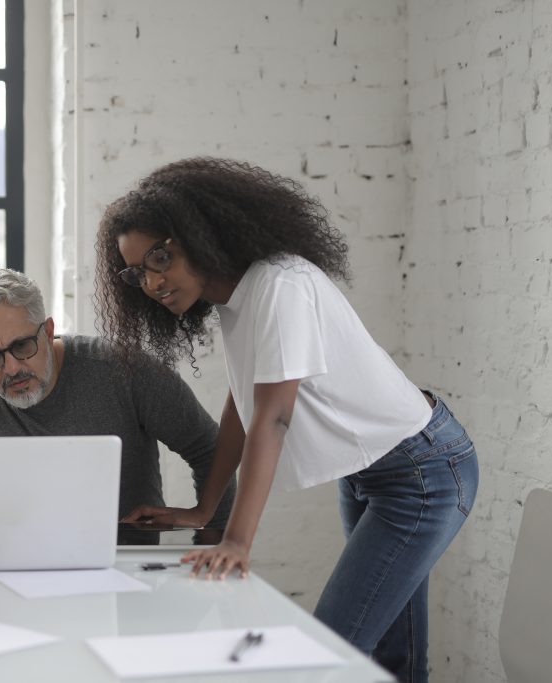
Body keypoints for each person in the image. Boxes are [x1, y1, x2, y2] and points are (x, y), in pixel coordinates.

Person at [95, 156, 478, 683]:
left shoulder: (279, 285)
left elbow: (273, 419)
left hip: (421, 475)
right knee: (392, 658)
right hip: (372, 471)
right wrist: (207, 511)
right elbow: (244, 402)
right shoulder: (234, 297)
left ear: (200, 233)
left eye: (161, 256)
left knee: (331, 654)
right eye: (138, 271)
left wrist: (237, 542)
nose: (153, 281)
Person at [0, 268, 236, 533]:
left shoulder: (123, 370)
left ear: (48, 332)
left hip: (126, 567)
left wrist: (212, 536)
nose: (11, 368)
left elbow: (210, 449)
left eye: (22, 346)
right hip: (11, 570)